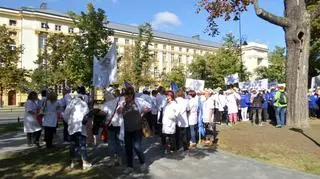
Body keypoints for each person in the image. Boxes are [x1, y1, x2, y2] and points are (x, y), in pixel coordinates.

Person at [118, 87, 151, 171]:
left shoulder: (138, 101)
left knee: (137, 147)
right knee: (128, 148)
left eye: (129, 94)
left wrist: (143, 112)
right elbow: (118, 112)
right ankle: (130, 166)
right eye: (126, 94)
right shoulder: (122, 102)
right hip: (126, 128)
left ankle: (142, 163)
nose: (127, 96)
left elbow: (149, 106)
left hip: (137, 128)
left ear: (133, 94)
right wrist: (122, 106)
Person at [63, 91, 92, 170]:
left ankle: (73, 162)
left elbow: (65, 115)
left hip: (72, 126)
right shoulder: (84, 104)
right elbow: (87, 115)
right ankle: (84, 162)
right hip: (81, 127)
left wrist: (69, 122)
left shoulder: (71, 103)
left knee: (73, 144)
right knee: (82, 145)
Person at [102, 90, 124, 166]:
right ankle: (119, 159)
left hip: (110, 124)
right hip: (119, 124)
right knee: (119, 142)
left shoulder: (106, 104)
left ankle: (112, 160)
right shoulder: (120, 102)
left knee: (111, 142)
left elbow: (103, 113)